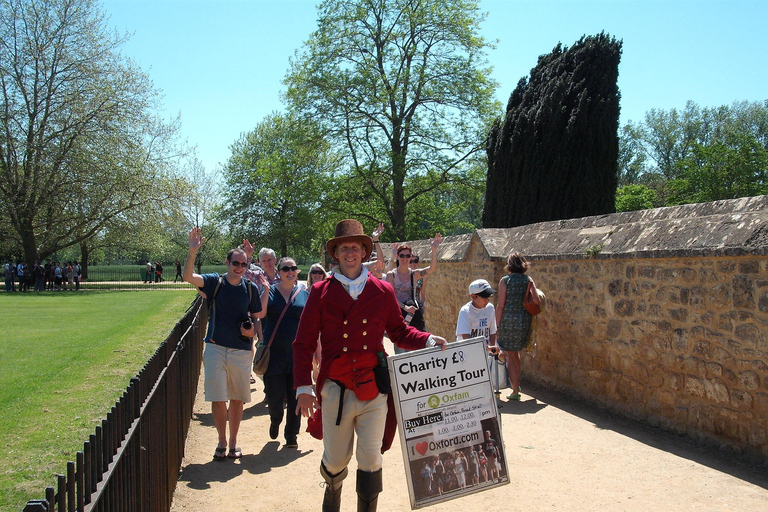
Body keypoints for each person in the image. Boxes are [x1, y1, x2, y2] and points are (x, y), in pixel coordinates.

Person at [293, 219, 448, 512]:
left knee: (371, 458)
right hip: (335, 388)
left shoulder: (382, 290)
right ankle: (333, 492)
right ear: (335, 254)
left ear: (364, 252)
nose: (350, 252)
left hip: (374, 389)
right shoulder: (320, 293)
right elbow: (303, 343)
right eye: (343, 248)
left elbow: (400, 332)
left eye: (355, 247)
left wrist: (427, 340)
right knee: (336, 459)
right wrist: (303, 386)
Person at [183, 227, 269, 460]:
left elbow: (256, 317)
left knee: (237, 398)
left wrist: (251, 332)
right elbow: (189, 277)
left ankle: (233, 443)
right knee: (218, 398)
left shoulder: (249, 288)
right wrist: (192, 253)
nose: (239, 268)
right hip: (215, 348)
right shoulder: (214, 282)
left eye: (243, 264)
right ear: (227, 262)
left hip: (241, 350)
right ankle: (221, 441)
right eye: (235, 263)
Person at [262, 256, 309, 449]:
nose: (290, 271)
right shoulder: (270, 291)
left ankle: (292, 435)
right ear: (279, 272)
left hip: (297, 354)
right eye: (286, 268)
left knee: (295, 395)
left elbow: (310, 324)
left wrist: (315, 350)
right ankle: (275, 418)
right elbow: (260, 314)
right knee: (274, 394)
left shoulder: (304, 293)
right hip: (274, 353)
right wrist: (264, 291)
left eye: (293, 268)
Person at [385, 233, 443, 353]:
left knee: (418, 347)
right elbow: (390, 296)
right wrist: (404, 307)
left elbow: (431, 269)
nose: (405, 258)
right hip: (399, 315)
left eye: (407, 255)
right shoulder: (392, 275)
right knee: (401, 350)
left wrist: (434, 249)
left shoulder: (414, 274)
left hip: (413, 314)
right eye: (402, 255)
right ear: (397, 257)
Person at [495, 251, 534, 401]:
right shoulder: (528, 279)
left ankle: (515, 390)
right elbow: (535, 298)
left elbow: (500, 305)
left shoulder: (505, 280)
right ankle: (516, 383)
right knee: (515, 353)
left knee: (510, 355)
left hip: (508, 321)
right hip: (524, 319)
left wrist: (496, 325)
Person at [455, 278, 500, 378]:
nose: (487, 299)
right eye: (484, 297)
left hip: (485, 355)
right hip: (467, 355)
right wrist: (486, 348)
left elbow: (492, 332)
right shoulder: (465, 311)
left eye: (489, 296)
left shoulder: (490, 308)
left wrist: (493, 347)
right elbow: (466, 338)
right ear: (473, 296)